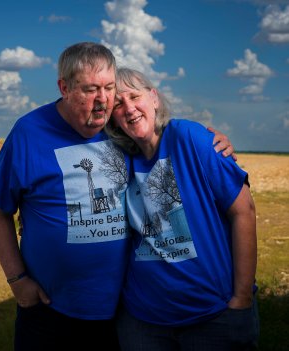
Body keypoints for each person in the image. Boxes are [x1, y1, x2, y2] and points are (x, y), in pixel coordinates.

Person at [0, 42, 234, 351]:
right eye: (90, 89)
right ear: (64, 87)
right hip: (49, 308)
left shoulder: (120, 130)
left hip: (120, 308)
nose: (103, 100)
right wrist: (17, 280)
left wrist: (213, 142)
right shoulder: (28, 133)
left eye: (109, 88)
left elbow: (158, 131)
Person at [105, 67, 259, 350]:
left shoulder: (190, 138)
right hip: (143, 321)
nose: (128, 108)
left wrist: (242, 299)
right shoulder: (119, 159)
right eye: (117, 103)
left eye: (134, 96)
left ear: (154, 99)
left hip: (212, 316)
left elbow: (244, 211)